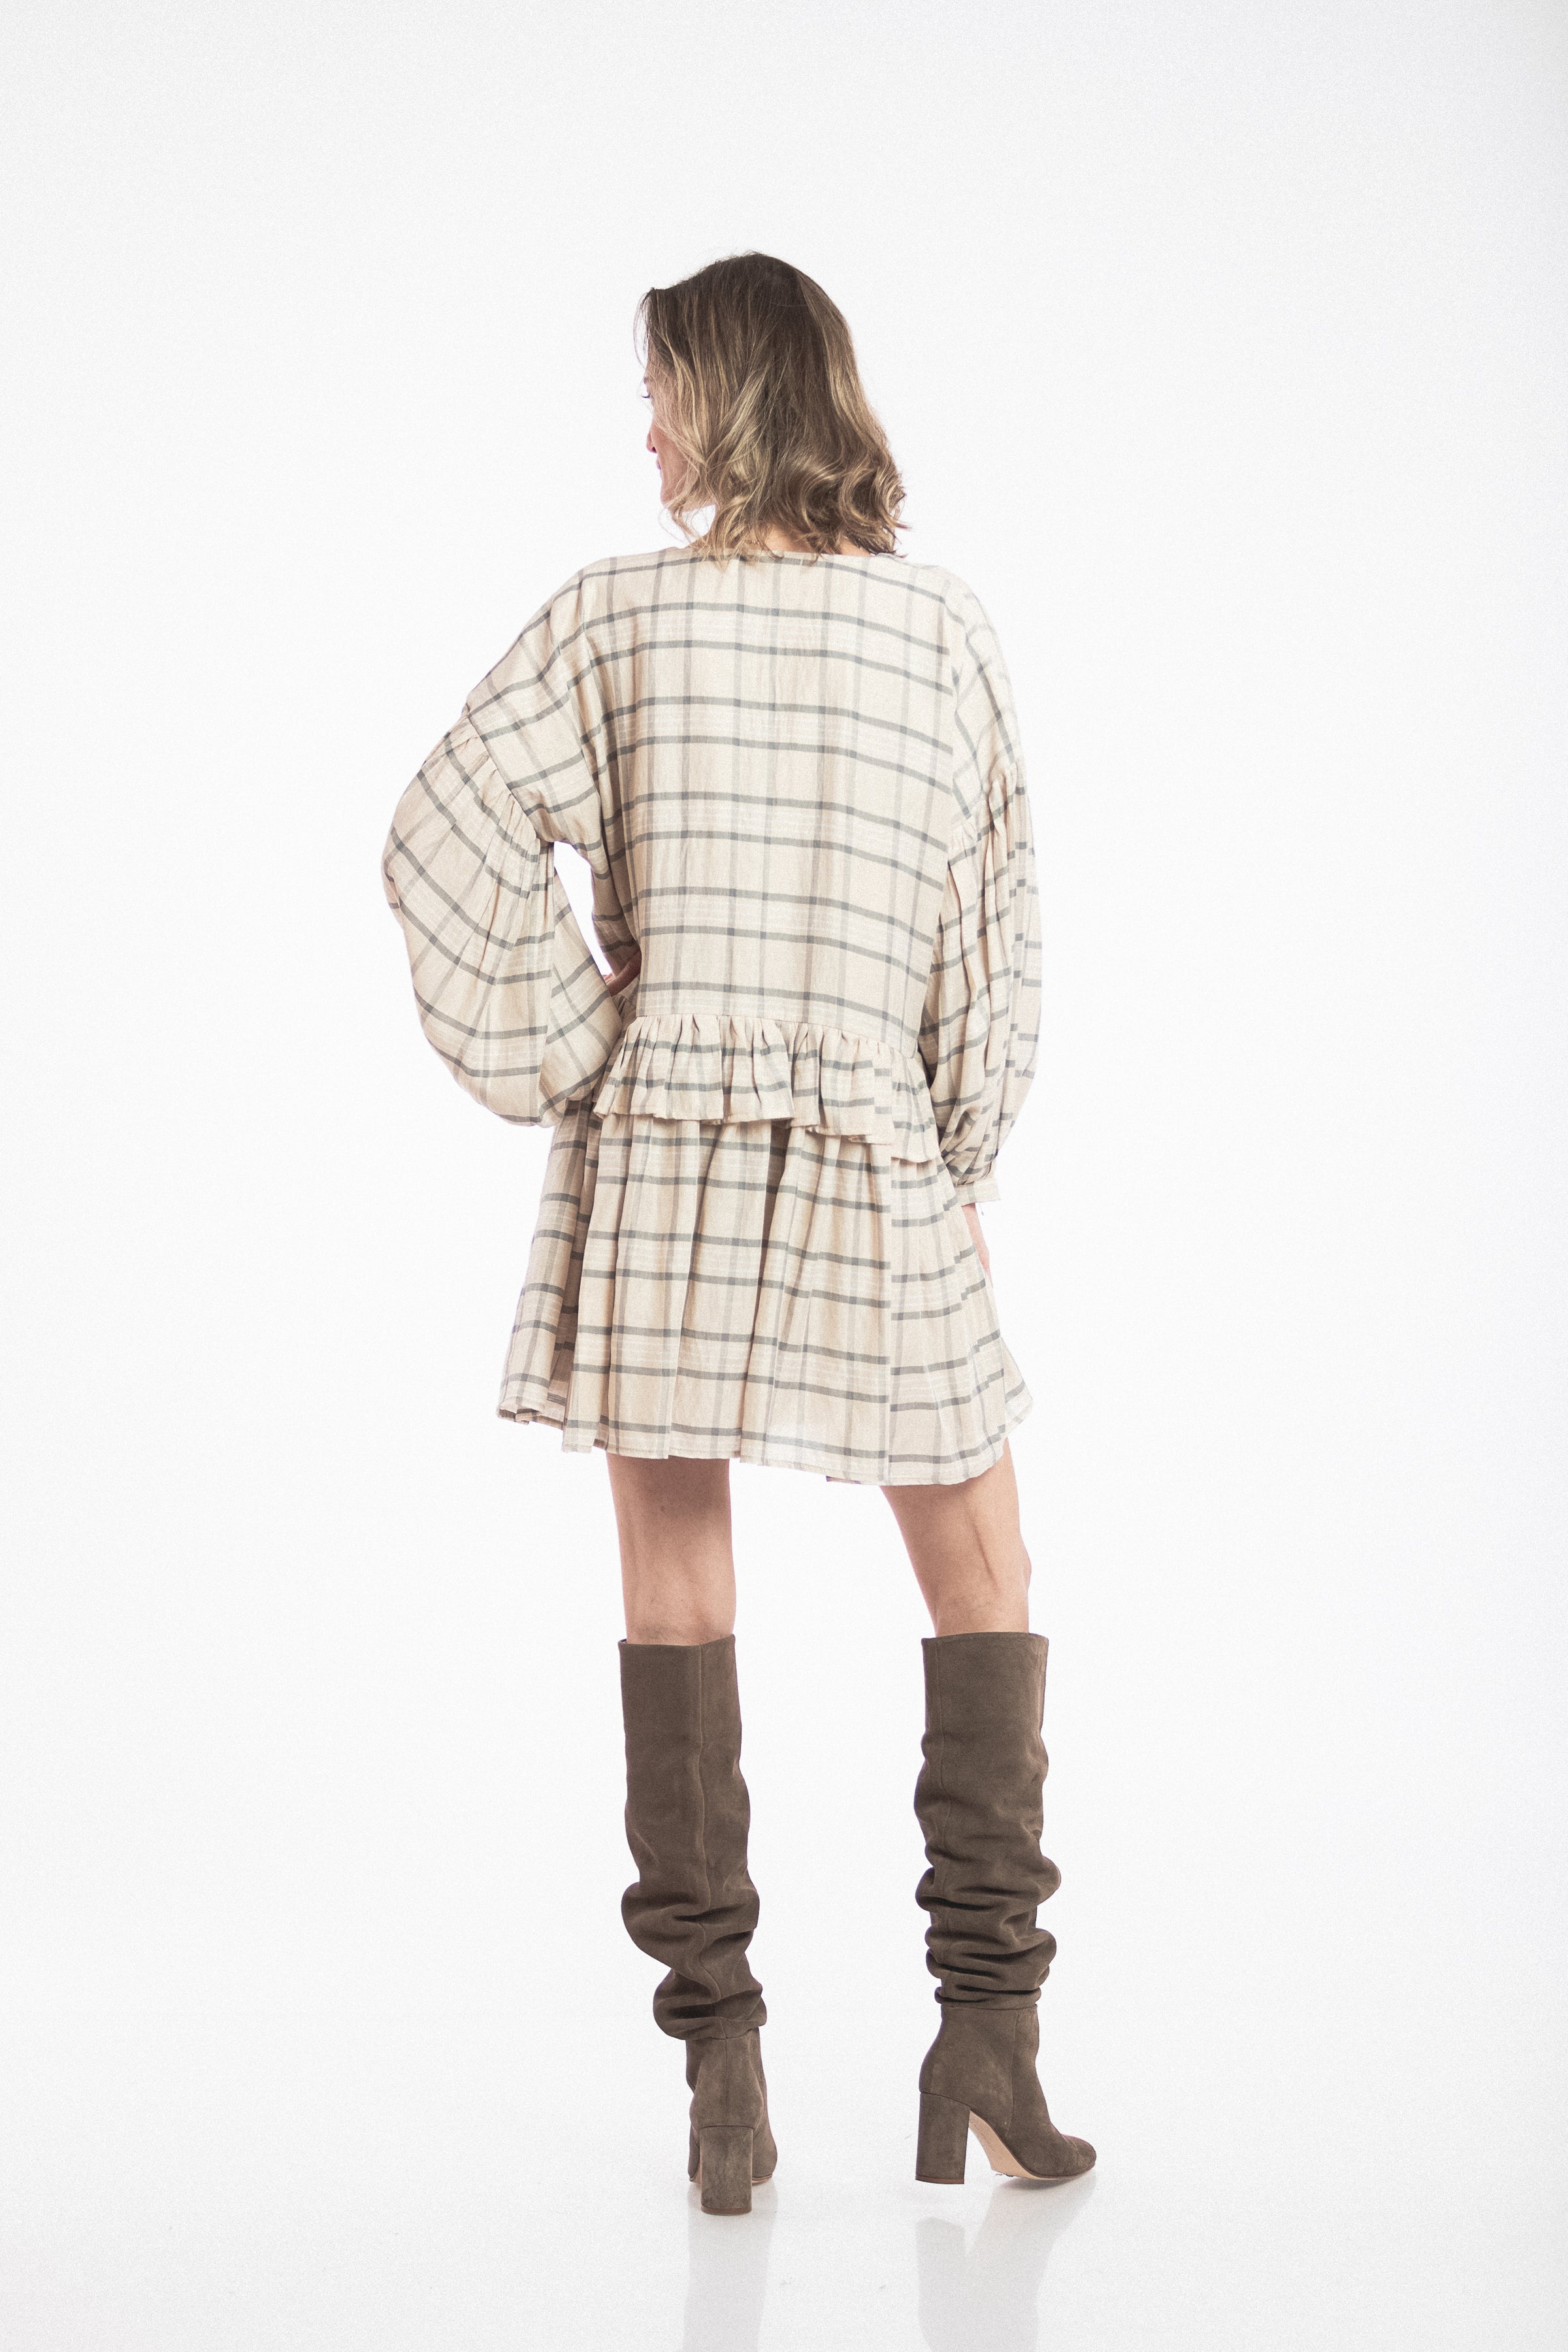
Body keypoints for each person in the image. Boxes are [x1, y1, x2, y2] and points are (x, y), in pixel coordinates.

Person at [382, 252, 1095, 2215]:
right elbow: (991, 930)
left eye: (662, 389)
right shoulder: (938, 628)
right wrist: (955, 1149)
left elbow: (438, 830)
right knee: (984, 1566)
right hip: (877, 1139)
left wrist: (591, 1051)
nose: (646, 428)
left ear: (731, 395)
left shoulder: (612, 618)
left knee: (675, 1581)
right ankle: (990, 2037)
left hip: (667, 1157)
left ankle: (721, 2069)